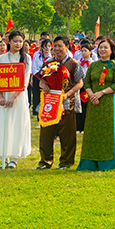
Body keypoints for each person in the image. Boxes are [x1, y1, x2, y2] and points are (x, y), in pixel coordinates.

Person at [35, 36, 84, 170]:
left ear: (67, 46)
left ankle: (66, 162)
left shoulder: (74, 63)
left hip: (67, 103)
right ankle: (45, 161)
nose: (57, 48)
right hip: (50, 103)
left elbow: (80, 83)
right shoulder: (49, 63)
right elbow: (41, 80)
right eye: (55, 45)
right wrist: (43, 85)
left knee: (67, 134)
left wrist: (67, 94)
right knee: (46, 132)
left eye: (60, 46)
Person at [77, 37, 115, 172]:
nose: (102, 50)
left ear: (111, 50)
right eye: (101, 47)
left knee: (107, 131)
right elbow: (87, 83)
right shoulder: (93, 65)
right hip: (93, 103)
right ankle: (89, 162)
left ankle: (107, 162)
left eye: (106, 47)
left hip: (108, 102)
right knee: (92, 131)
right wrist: (92, 94)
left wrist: (101, 93)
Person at [0, 30, 33, 169]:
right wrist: (1, 96)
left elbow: (25, 81)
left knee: (18, 125)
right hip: (3, 98)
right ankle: (5, 156)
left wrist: (14, 97)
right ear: (9, 41)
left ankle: (15, 158)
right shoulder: (1, 59)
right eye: (15, 41)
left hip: (19, 97)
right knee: (4, 125)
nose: (18, 44)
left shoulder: (26, 58)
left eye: (21, 42)